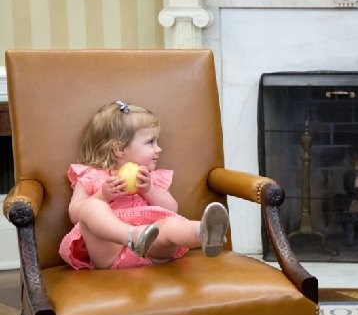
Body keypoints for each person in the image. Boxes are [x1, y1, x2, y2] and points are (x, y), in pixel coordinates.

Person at [59, 100, 230, 270]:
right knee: (91, 207)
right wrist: (102, 196)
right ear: (119, 149)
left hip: (152, 250)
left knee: (168, 225)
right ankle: (133, 236)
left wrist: (149, 190)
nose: (158, 149)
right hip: (111, 254)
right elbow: (75, 214)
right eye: (150, 142)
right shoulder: (92, 176)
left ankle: (203, 232)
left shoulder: (150, 178)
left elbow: (172, 209)